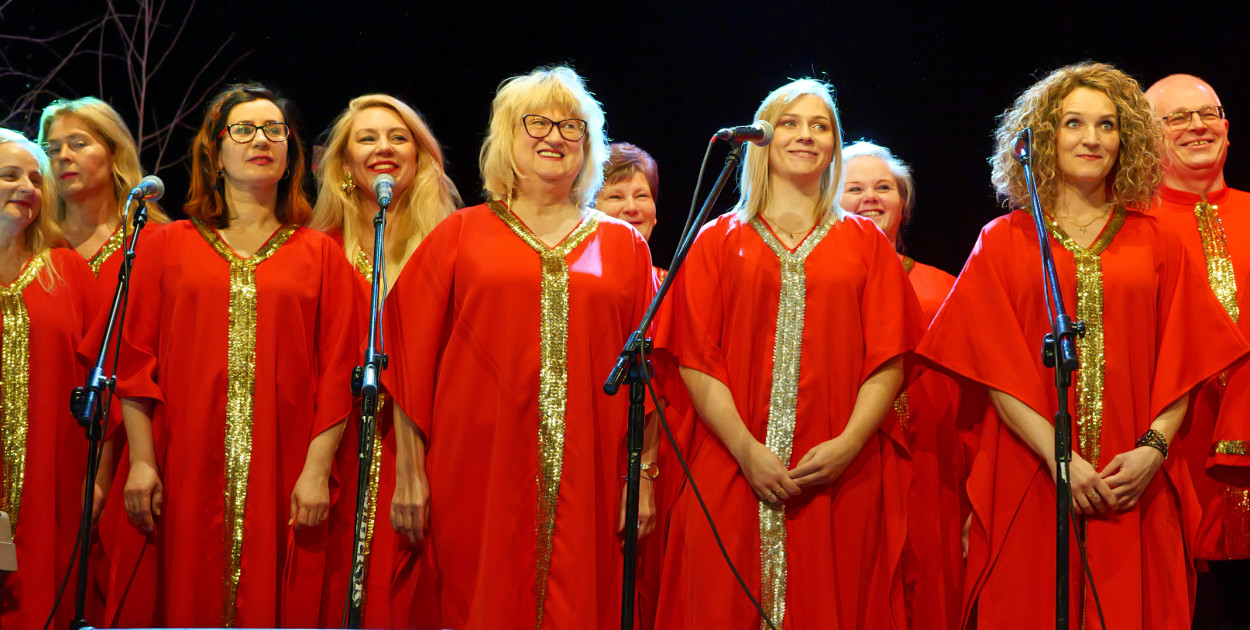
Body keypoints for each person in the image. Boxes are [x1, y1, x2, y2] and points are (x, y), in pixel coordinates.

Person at [918, 62, 1247, 629]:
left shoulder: (1158, 240)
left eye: (1107, 125)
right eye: (1074, 123)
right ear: (1045, 135)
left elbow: (1187, 359)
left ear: (1129, 140)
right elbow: (993, 368)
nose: (1091, 138)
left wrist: (1152, 450)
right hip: (1032, 475)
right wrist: (1059, 457)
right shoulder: (1002, 242)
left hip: (1136, 482)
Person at [381, 65, 655, 629]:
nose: (555, 135)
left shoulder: (623, 245)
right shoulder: (461, 235)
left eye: (571, 126)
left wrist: (643, 476)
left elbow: (654, 373)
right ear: (507, 136)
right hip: (476, 469)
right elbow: (406, 357)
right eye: (537, 123)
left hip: (595, 470)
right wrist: (409, 470)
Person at [654, 79, 924, 629]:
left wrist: (849, 444)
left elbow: (890, 358)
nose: (806, 135)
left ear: (834, 144)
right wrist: (748, 451)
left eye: (820, 126)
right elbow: (696, 358)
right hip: (730, 462)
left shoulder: (866, 243)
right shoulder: (716, 239)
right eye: (791, 123)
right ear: (762, 138)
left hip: (838, 472)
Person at [99, 82, 361, 628]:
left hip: (284, 460)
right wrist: (143, 461)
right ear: (214, 152)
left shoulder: (320, 254)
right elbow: (133, 360)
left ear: (291, 153)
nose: (260, 140)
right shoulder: (165, 247)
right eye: (243, 129)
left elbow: (341, 368)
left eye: (274, 130)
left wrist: (316, 472)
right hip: (181, 457)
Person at [310, 93, 459, 628]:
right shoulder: (318, 245)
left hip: (431, 445)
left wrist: (415, 464)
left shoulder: (454, 242)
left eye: (399, 137)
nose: (384, 148)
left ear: (420, 156)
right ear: (345, 161)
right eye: (367, 138)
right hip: (340, 447)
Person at [842, 140, 962, 630]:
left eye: (883, 187)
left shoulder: (946, 286)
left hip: (932, 469)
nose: (871, 197)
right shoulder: (816, 285)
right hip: (851, 465)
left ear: (904, 202)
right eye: (854, 188)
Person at [1144, 73, 1250, 625]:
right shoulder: (1133, 232)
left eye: (1207, 113)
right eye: (1177, 118)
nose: (1197, 126)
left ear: (1227, 129)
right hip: (1176, 469)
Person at [0, 128, 102, 629]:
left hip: (53, 481)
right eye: (10, 175)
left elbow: (109, 380)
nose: (28, 188)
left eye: (36, 180)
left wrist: (97, 481)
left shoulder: (67, 271)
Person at [37, 97, 170, 284]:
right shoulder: (37, 246)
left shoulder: (156, 242)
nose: (63, 156)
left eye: (79, 144)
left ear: (114, 153)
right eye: (53, 150)